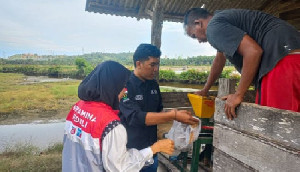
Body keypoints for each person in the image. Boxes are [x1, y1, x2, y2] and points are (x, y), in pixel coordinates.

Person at [183, 8, 300, 119]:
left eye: (194, 35)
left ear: (198, 23)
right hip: (290, 56)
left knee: (278, 124)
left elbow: (253, 51)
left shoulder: (213, 28)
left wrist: (238, 94)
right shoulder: (223, 21)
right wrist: (205, 89)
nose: (198, 40)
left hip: (282, 61)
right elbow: (219, 61)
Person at [62, 61, 175, 172]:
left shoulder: (78, 107)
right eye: (123, 87)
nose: (125, 91)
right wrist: (154, 149)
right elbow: (120, 167)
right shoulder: (111, 125)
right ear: (112, 87)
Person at [119, 44, 199, 172]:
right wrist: (174, 115)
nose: (156, 69)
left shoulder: (153, 85)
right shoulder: (125, 86)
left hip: (153, 150)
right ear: (139, 64)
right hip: (130, 152)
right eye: (152, 64)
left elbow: (159, 111)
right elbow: (135, 117)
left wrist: (178, 117)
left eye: (158, 64)